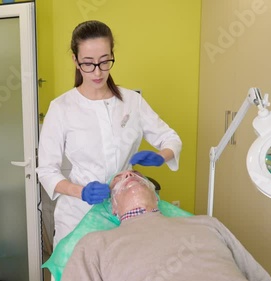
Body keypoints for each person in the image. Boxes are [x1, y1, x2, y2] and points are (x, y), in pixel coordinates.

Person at [36, 20, 182, 247]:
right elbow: (46, 170)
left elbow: (170, 137)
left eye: (105, 62)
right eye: (88, 63)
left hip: (126, 213)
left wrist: (162, 155)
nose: (97, 72)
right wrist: (81, 191)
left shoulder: (132, 102)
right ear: (75, 60)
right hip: (77, 216)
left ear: (112, 55)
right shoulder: (62, 108)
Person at [61, 170, 271, 281]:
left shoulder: (207, 224)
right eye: (119, 179)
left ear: (155, 194)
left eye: (136, 175)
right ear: (112, 207)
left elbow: (257, 275)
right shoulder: (95, 243)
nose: (129, 175)